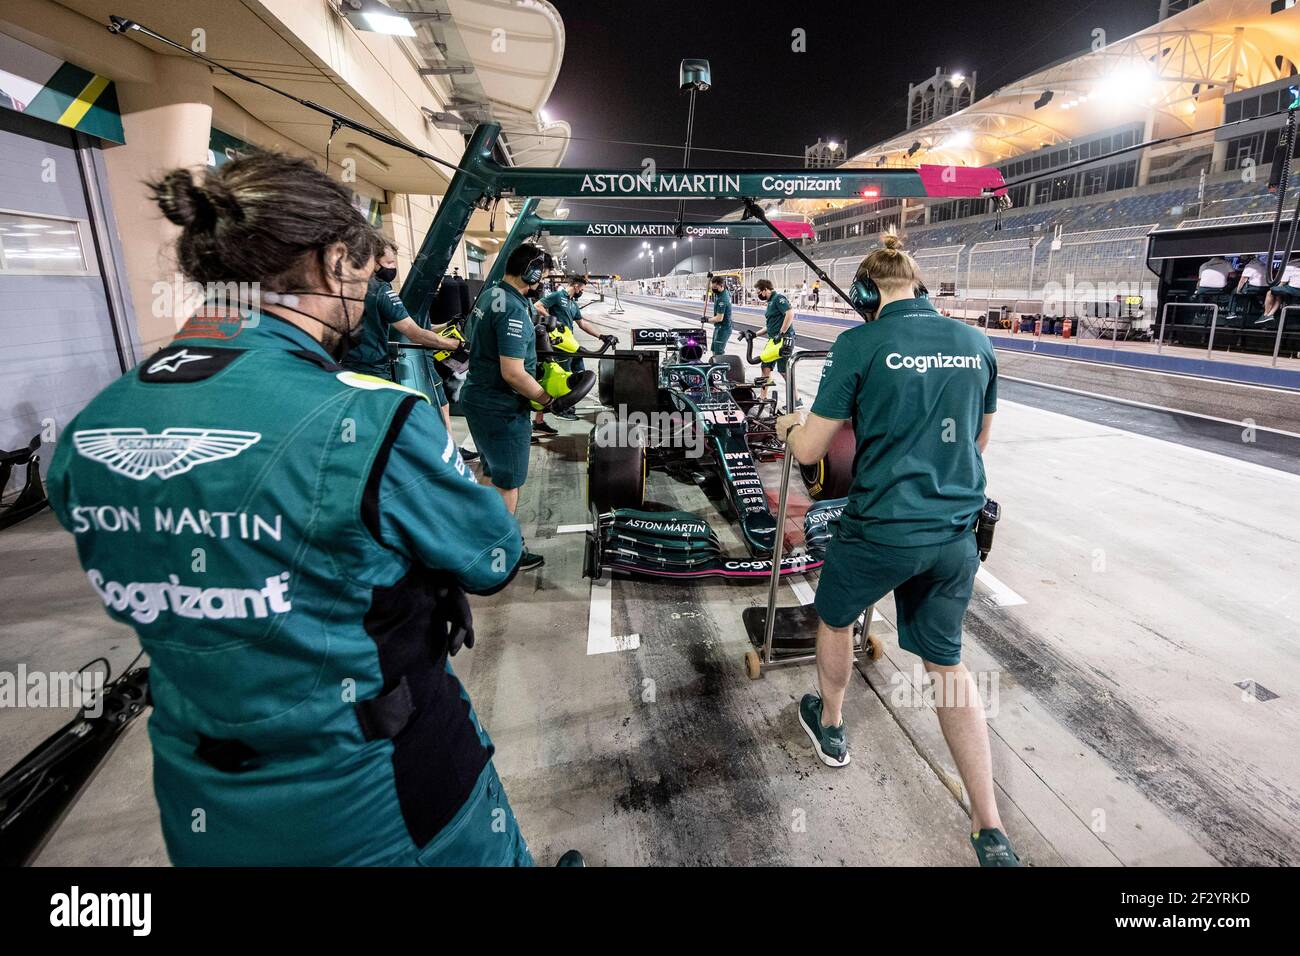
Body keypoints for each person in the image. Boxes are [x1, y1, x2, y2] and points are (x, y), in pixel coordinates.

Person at [44, 151, 544, 866]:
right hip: (377, 795)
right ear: (331, 261)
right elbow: (492, 558)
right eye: (365, 275)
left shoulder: (97, 422)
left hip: (200, 797)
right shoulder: (372, 419)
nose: (367, 295)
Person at [775, 232, 1018, 867]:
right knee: (949, 668)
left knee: (833, 618)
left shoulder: (860, 343)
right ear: (922, 288)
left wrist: (786, 425)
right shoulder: (975, 342)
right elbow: (979, 442)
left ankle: (829, 724)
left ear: (862, 294)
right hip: (954, 535)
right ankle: (988, 827)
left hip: (879, 531)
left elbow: (808, 452)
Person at [461, 243, 581, 570]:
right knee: (508, 483)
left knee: (492, 474)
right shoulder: (514, 308)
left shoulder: (490, 295)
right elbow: (513, 372)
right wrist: (548, 400)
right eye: (539, 273)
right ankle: (503, 552)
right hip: (501, 407)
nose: (541, 279)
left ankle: (480, 538)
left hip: (478, 399)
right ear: (530, 272)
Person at [345, 241, 477, 461]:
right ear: (372, 260)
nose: (392, 267)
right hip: (374, 370)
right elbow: (415, 333)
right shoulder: (380, 290)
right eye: (388, 262)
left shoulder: (345, 286)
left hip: (347, 369)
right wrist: (457, 345)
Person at [533, 275, 600, 429]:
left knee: (579, 373)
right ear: (576, 285)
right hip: (557, 344)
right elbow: (538, 305)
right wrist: (552, 320)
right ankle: (560, 409)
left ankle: (541, 420)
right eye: (582, 288)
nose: (582, 291)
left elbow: (582, 323)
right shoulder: (558, 296)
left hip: (569, 343)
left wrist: (601, 336)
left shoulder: (572, 303)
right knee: (561, 377)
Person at [754, 278, 796, 408]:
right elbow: (770, 326)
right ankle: (763, 397)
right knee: (765, 366)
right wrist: (754, 334)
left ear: (766, 289)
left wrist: (782, 333)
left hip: (783, 340)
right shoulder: (771, 302)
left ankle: (796, 399)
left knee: (784, 371)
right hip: (774, 341)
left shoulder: (778, 298)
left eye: (759, 292)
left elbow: (790, 313)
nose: (758, 295)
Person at [707, 274, 733, 357]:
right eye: (713, 287)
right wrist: (709, 279)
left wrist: (707, 320)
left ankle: (720, 367)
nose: (714, 289)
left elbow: (719, 318)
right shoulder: (723, 290)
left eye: (715, 288)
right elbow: (708, 288)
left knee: (718, 351)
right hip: (718, 327)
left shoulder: (723, 299)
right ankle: (714, 365)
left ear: (721, 285)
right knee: (714, 349)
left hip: (723, 329)